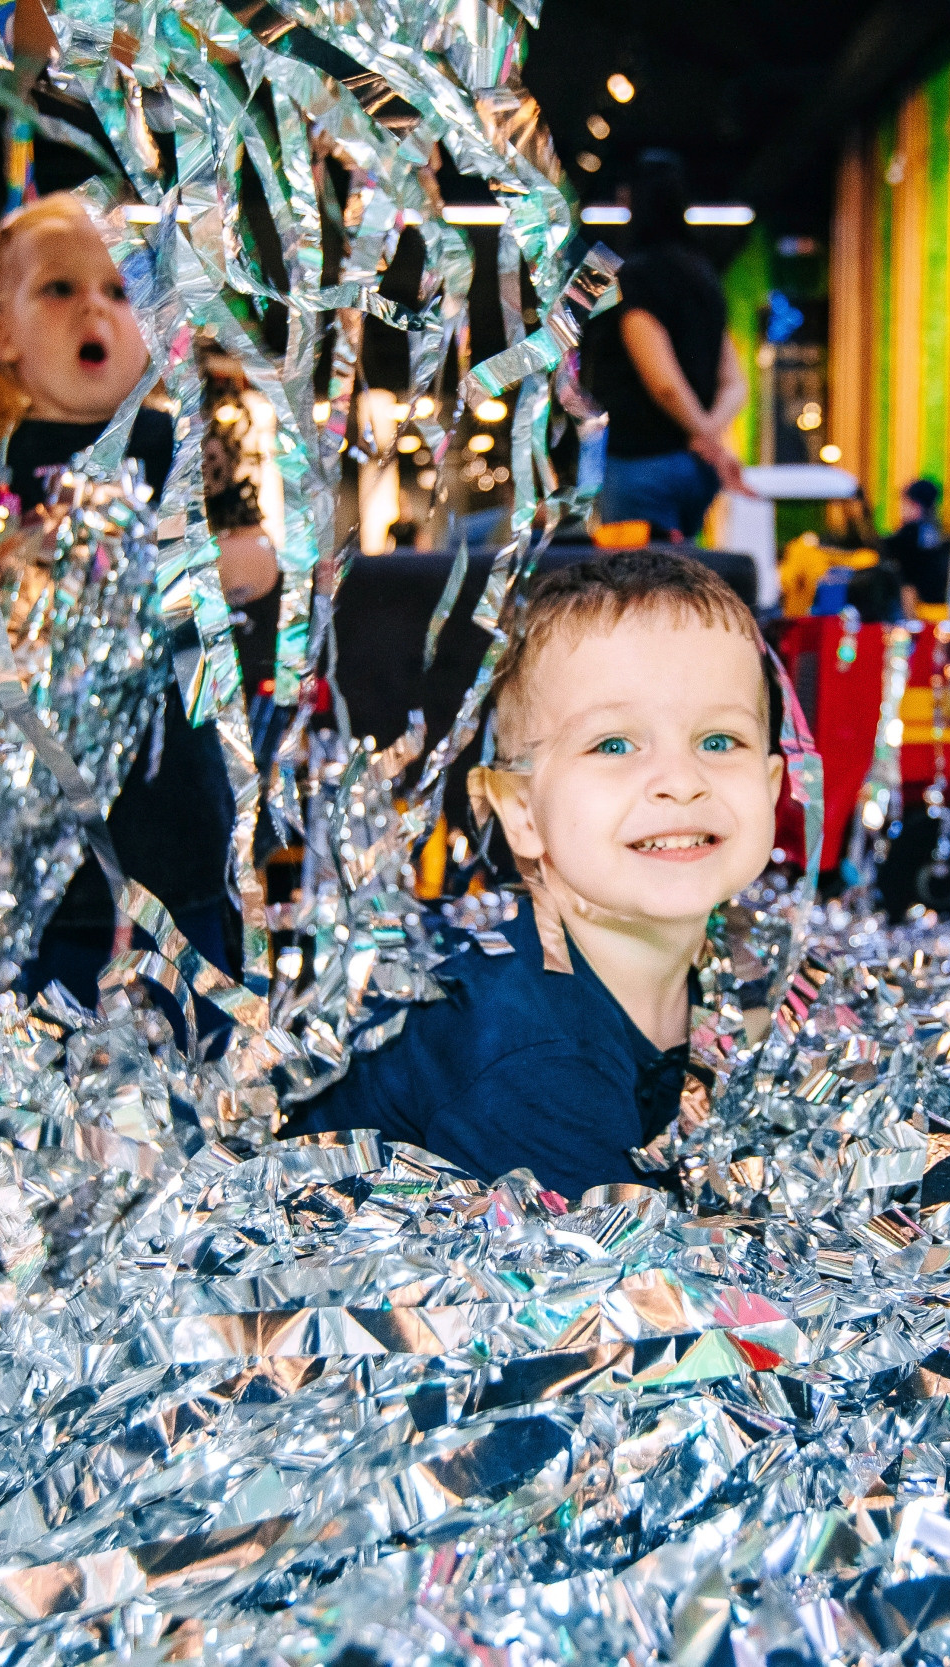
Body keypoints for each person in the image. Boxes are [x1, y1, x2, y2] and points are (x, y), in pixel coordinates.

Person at [282, 549, 782, 1202]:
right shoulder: (533, 1061)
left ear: (773, 787)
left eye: (719, 741)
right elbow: (638, 1291)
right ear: (520, 811)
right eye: (613, 744)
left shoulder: (729, 977)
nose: (682, 782)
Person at [0, 192, 279, 997]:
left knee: (182, 1000)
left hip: (173, 782)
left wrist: (164, 555)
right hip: (17, 789)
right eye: (59, 289)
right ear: (1, 332)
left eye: (120, 289)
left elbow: (259, 561)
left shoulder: (180, 446)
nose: (92, 307)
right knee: (24, 994)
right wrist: (24, 544)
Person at [580, 152, 752, 541]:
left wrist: (702, 435)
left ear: (632, 202)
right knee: (678, 578)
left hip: (641, 463)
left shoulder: (634, 276)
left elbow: (664, 382)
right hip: (695, 469)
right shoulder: (705, 277)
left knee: (637, 590)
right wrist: (710, 438)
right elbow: (735, 382)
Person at [887, 478, 950, 618]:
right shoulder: (938, 532)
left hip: (916, 605)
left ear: (916, 505)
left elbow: (907, 578)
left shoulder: (909, 533)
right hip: (942, 607)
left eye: (904, 503)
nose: (901, 508)